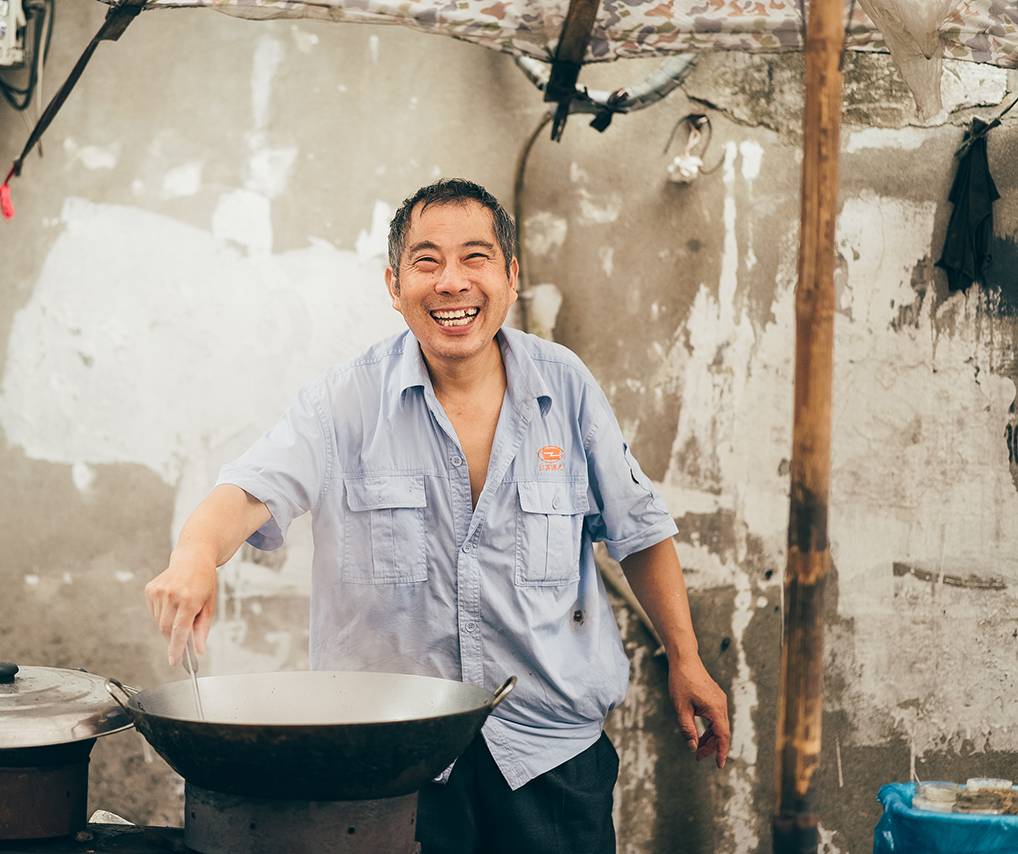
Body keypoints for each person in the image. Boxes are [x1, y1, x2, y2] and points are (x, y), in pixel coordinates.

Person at [145, 178, 730, 853]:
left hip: (549, 752)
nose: (452, 282)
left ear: (511, 277)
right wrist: (193, 555)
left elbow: (639, 531)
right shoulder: (344, 401)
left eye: (475, 258)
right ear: (393, 285)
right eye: (427, 262)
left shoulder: (565, 386)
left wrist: (685, 658)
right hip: (392, 763)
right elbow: (247, 492)